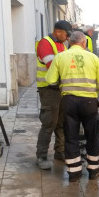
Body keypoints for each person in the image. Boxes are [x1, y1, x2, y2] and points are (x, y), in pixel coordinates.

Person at [45, 31, 99, 182]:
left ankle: (74, 173)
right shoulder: (93, 57)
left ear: (69, 42)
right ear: (84, 43)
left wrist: (62, 86)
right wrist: (93, 92)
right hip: (89, 103)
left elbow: (50, 80)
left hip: (69, 101)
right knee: (92, 136)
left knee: (71, 136)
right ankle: (93, 170)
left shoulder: (60, 57)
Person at [35, 20, 73, 170]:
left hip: (60, 89)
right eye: (67, 34)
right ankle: (41, 156)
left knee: (61, 122)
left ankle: (60, 151)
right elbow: (52, 66)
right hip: (48, 89)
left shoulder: (62, 45)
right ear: (58, 32)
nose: (68, 37)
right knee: (49, 122)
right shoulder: (45, 43)